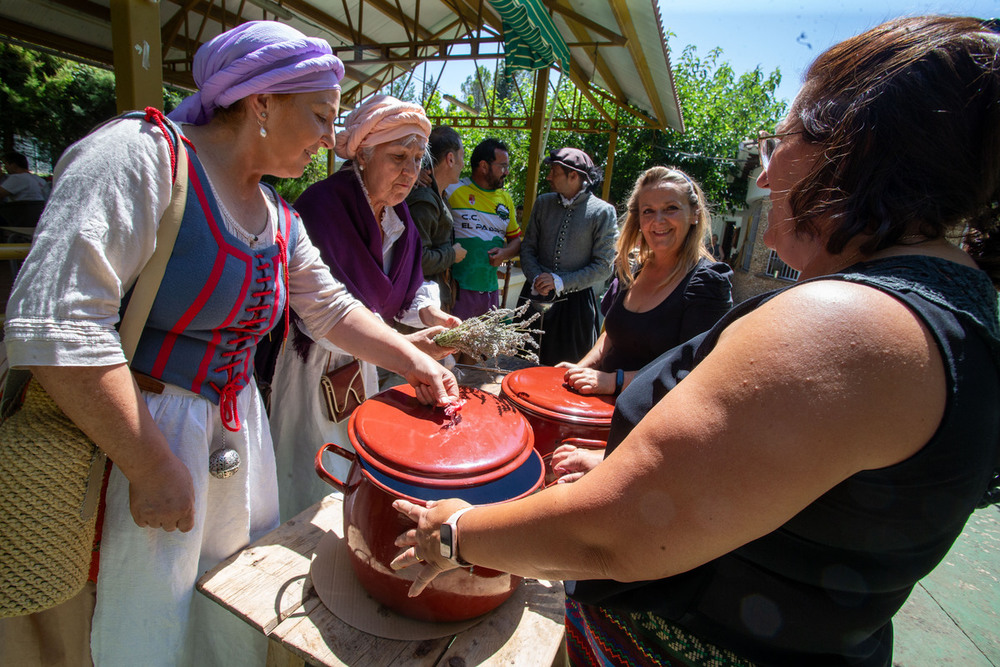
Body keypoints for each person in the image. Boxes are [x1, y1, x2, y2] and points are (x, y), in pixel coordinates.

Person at [390, 16, 1000, 666]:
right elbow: (788, 491)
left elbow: (614, 532)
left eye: (777, 144)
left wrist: (453, 530)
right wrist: (641, 467)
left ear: (850, 146)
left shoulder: (845, 324)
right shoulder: (953, 305)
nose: (762, 179)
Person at [0, 22, 457, 667]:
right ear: (262, 102)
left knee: (219, 611)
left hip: (234, 438)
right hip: (131, 435)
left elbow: (328, 307)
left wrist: (413, 360)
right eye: (322, 116)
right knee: (136, 612)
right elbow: (55, 326)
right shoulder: (141, 158)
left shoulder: (276, 212)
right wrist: (150, 464)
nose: (331, 138)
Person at [268, 95, 460, 521]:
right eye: (398, 157)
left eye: (416, 159)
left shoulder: (399, 219)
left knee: (351, 451)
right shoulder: (322, 207)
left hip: (367, 359)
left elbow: (405, 286)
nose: (410, 172)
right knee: (304, 461)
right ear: (363, 156)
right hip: (308, 363)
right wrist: (406, 345)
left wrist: (429, 313)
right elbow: (321, 310)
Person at [553, 166, 733, 480]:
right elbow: (611, 333)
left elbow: (694, 374)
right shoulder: (633, 267)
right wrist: (583, 367)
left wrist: (614, 381)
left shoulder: (707, 283)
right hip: (601, 415)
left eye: (671, 209)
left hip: (649, 436)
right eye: (648, 211)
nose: (658, 221)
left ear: (694, 215)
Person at [516, 147, 618, 365]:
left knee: (563, 372)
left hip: (574, 308)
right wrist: (537, 278)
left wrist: (560, 281)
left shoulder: (602, 212)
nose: (548, 176)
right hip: (534, 297)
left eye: (554, 171)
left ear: (573, 176)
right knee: (522, 364)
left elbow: (604, 266)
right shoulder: (543, 202)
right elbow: (528, 248)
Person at [445, 137, 521, 319]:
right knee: (454, 347)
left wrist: (505, 253)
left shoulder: (506, 199)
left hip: (490, 293)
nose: (507, 172)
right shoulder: (451, 189)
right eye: (502, 166)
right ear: (484, 166)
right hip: (457, 292)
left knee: (484, 348)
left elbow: (516, 241)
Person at [405, 125, 467, 309]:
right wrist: (452, 255)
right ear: (450, 159)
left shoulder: (439, 197)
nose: (463, 164)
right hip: (419, 307)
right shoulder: (424, 199)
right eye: (461, 156)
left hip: (430, 302)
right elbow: (418, 260)